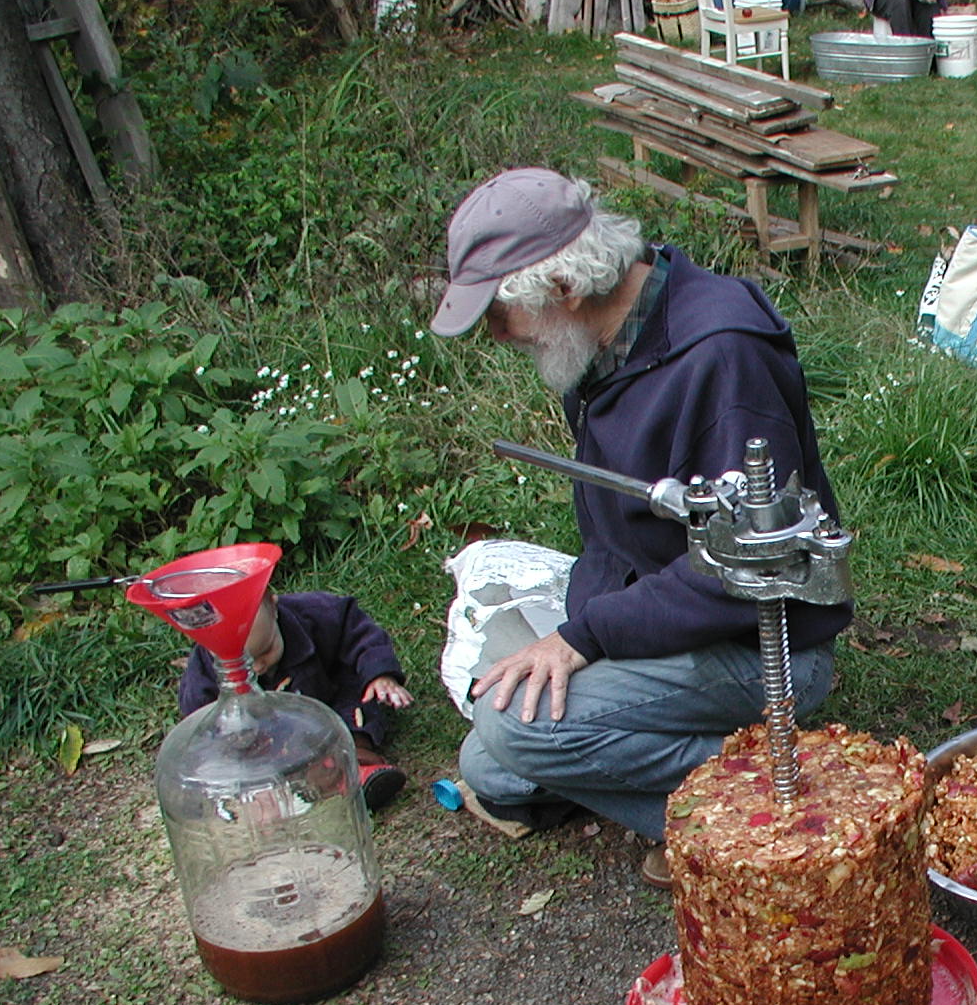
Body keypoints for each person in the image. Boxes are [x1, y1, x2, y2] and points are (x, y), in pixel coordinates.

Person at [429, 167, 850, 887]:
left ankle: (777, 790)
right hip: (657, 617)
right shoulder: (612, 335)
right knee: (488, 761)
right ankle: (719, 775)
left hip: (760, 643)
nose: (498, 336)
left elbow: (749, 571)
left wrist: (584, 639)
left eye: (503, 313)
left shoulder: (721, 355)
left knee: (510, 729)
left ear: (565, 287)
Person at [178, 590, 413, 810]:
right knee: (252, 759)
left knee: (357, 708)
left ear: (273, 605)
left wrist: (380, 675)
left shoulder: (320, 613)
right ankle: (282, 790)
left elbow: (360, 635)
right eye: (243, 664)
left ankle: (357, 767)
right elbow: (200, 722)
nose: (258, 667)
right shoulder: (203, 674)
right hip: (268, 733)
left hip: (329, 699)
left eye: (267, 650)